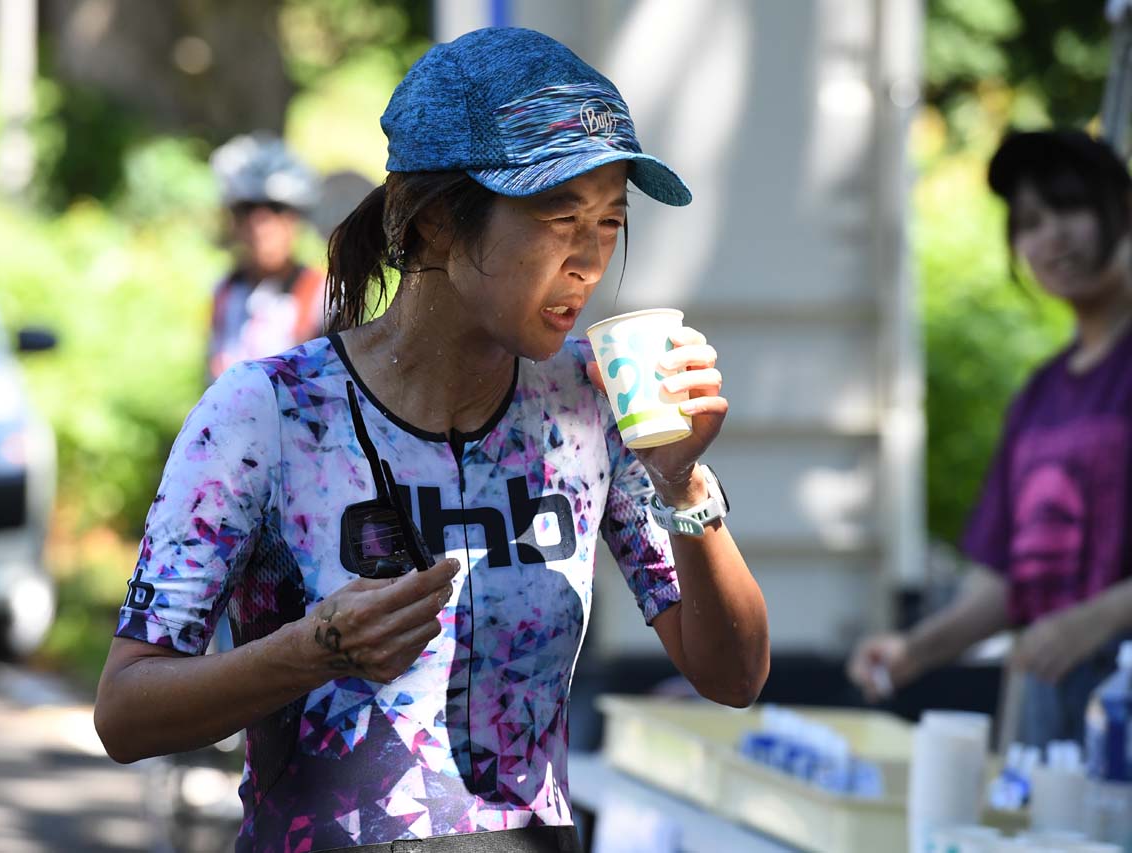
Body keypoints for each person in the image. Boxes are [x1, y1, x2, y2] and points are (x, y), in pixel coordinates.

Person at [94, 27, 769, 852]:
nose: (590, 261)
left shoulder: (592, 405)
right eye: (562, 217)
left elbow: (733, 675)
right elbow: (125, 713)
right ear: (440, 223)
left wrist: (682, 484)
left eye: (610, 221)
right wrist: (311, 651)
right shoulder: (267, 412)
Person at [848, 129, 1132, 746]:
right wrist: (914, 651)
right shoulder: (1039, 396)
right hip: (1049, 718)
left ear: (1121, 208)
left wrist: (1098, 619)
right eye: (1029, 222)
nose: (1051, 236)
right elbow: (1009, 581)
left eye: (1070, 208)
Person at [207, 131, 326, 382]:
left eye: (276, 209)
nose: (261, 226)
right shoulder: (225, 291)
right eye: (247, 211)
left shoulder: (323, 295)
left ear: (296, 219)